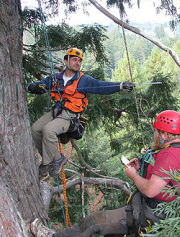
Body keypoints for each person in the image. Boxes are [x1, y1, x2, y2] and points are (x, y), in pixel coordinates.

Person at [30, 110, 180, 237]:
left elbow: (151, 190)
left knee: (95, 221)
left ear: (164, 134)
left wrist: (133, 176)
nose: (155, 134)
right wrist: (141, 165)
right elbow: (165, 176)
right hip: (155, 213)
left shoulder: (171, 154)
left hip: (152, 216)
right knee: (112, 232)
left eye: (156, 131)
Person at [26, 47, 134, 177]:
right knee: (35, 129)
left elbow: (101, 86)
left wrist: (121, 86)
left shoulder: (83, 80)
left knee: (49, 130)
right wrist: (34, 87)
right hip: (57, 111)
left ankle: (46, 164)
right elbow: (37, 85)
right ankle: (56, 158)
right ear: (66, 61)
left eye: (80, 61)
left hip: (70, 115)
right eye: (74, 60)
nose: (78, 63)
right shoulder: (57, 78)